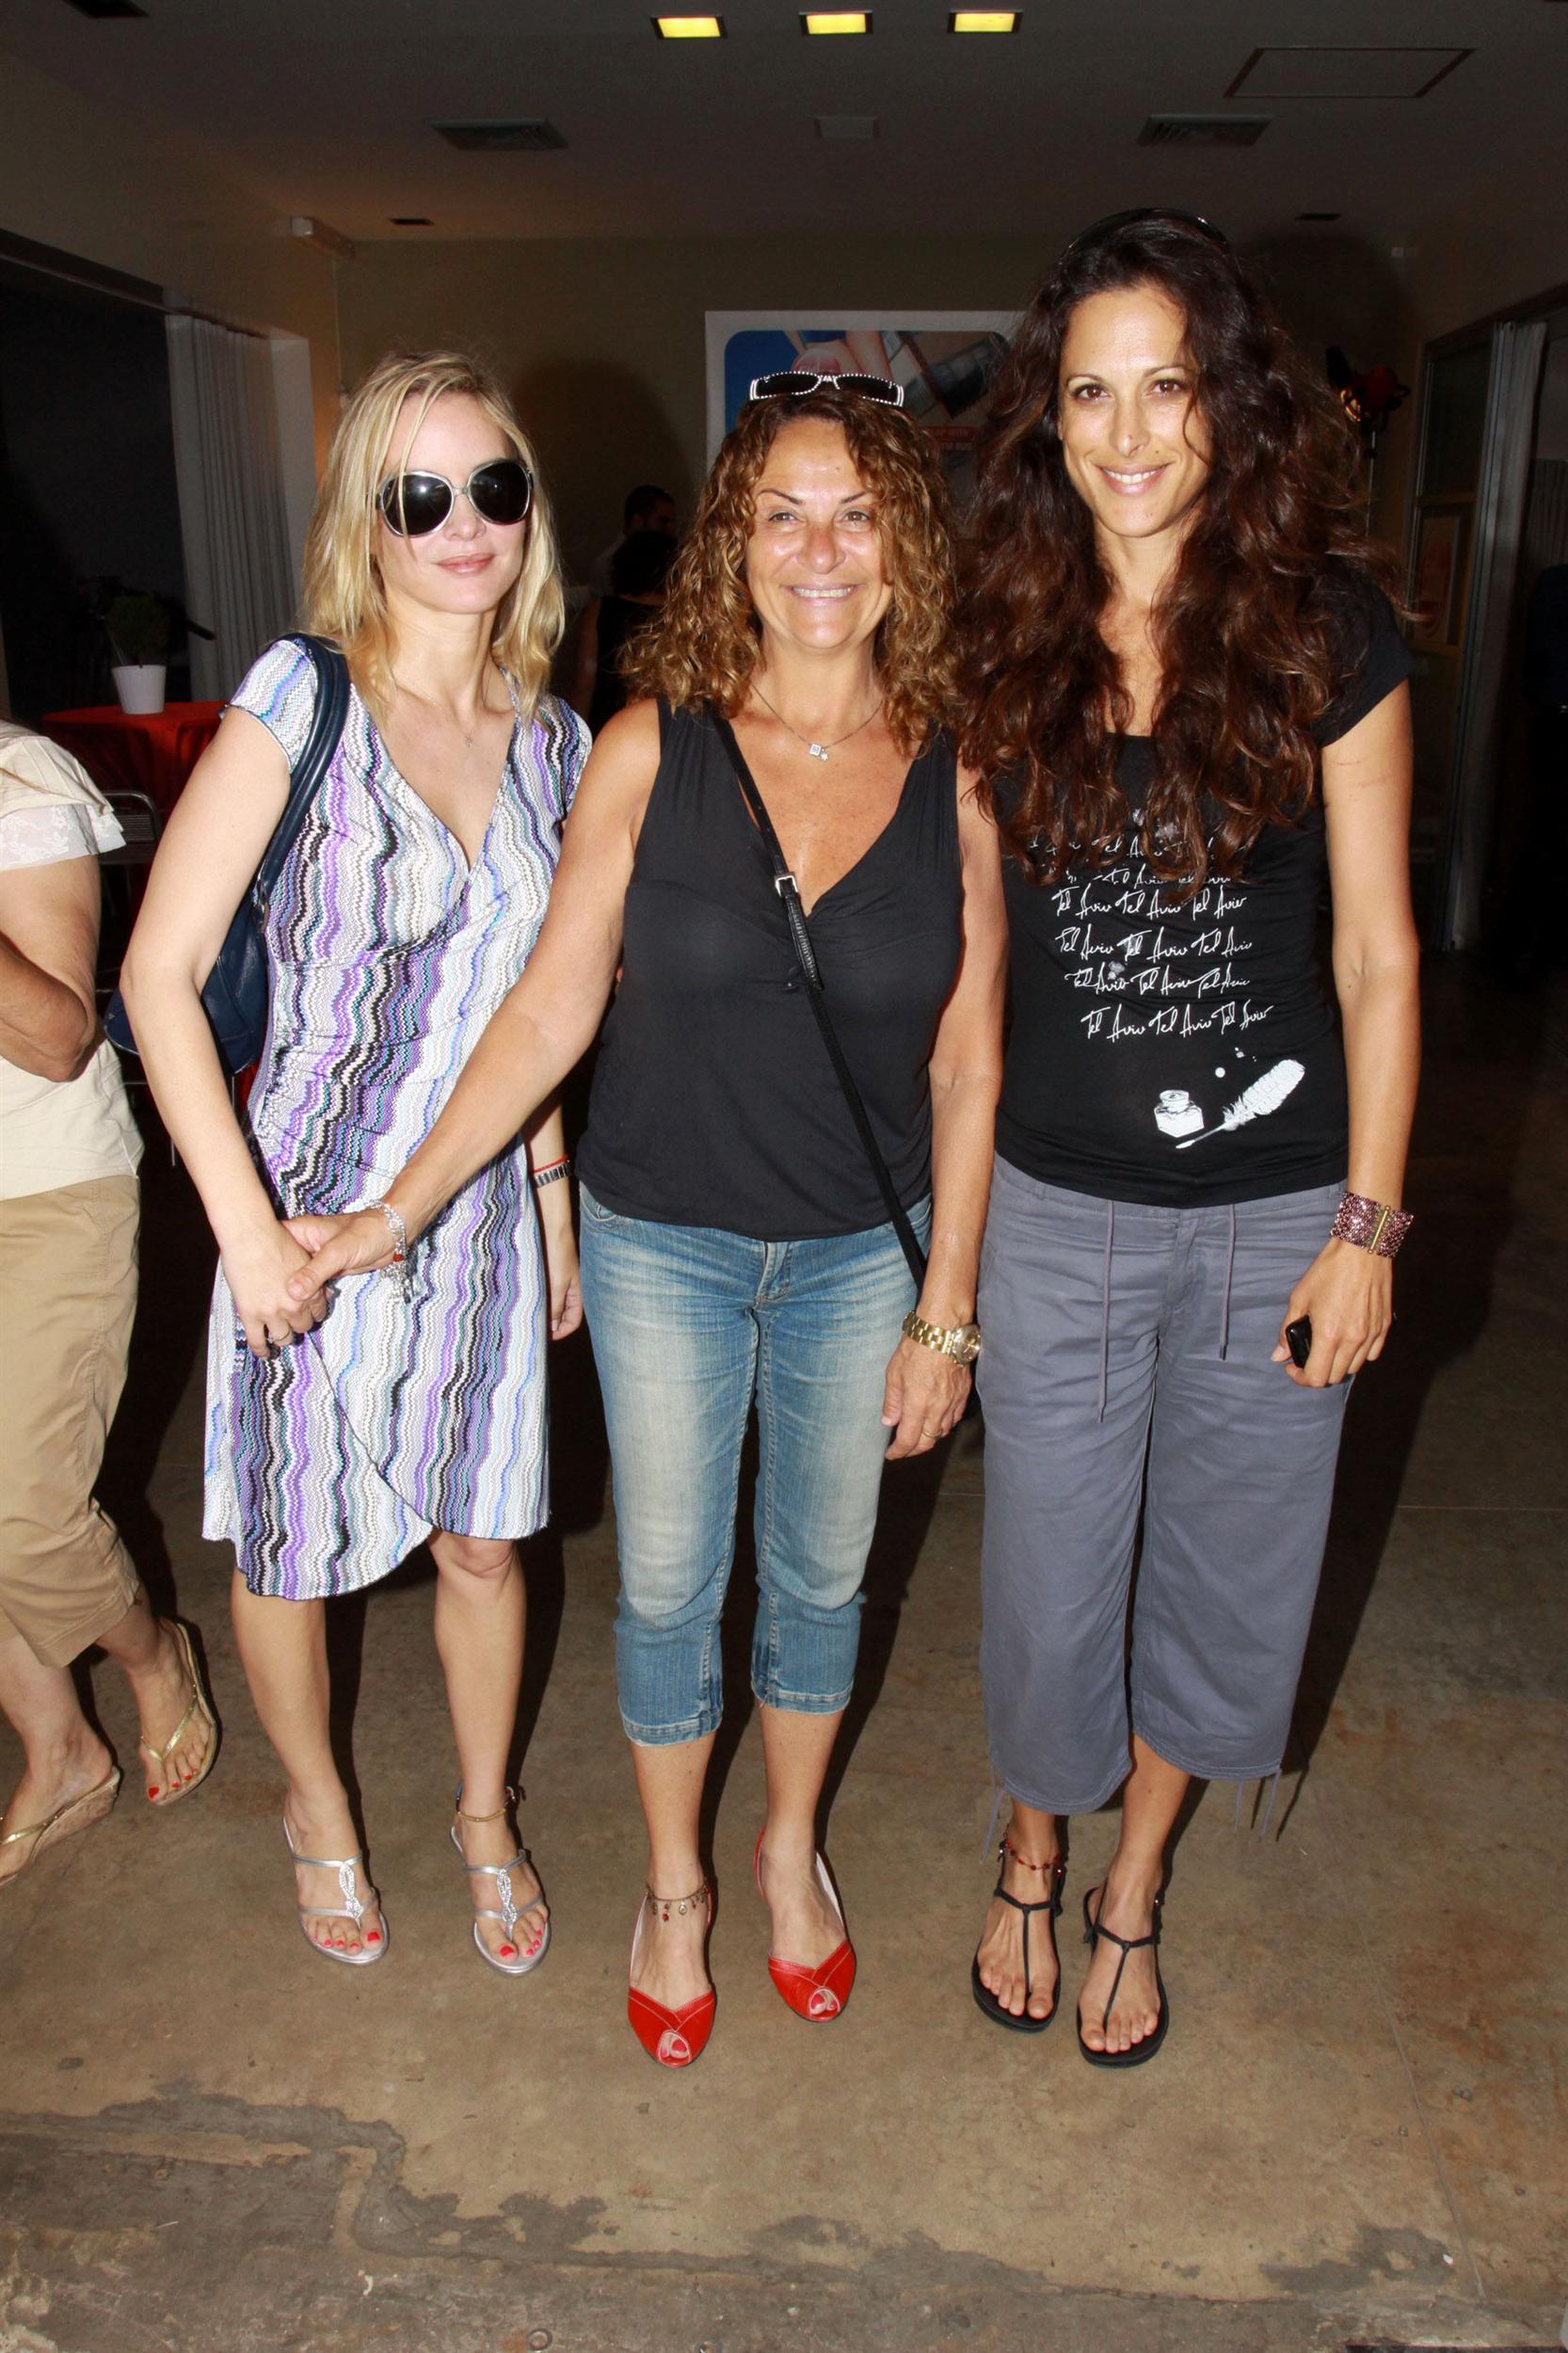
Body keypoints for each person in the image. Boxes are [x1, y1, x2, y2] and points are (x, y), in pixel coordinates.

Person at [284, 378, 1008, 2065]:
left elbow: (970, 1061)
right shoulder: (648, 745)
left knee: (821, 1580)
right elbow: (548, 1010)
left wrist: (947, 1308)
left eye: (856, 515)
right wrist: (394, 1212)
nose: (819, 551)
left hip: (861, 1255)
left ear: (906, 545)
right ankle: (675, 1882)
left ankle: (785, 1847)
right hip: (664, 1241)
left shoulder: (961, 769)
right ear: (731, 544)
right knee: (673, 1586)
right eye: (782, 515)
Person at [957, 211, 1420, 2064]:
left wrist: (1367, 1227)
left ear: (1228, 403)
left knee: (1225, 1582)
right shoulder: (999, 639)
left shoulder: (1328, 635)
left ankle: (1130, 1887)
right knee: (1046, 1581)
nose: (1128, 432)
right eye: (1090, 393)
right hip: (1054, 1209)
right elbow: (968, 973)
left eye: (1165, 386)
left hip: (1274, 1211)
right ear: (1048, 418)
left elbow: (1377, 955)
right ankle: (1028, 1847)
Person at [119, 351, 586, 1972]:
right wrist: (246, 1238)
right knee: (294, 1542)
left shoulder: (555, 743)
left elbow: (539, 1013)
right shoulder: (300, 697)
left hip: (477, 1219)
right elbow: (157, 976)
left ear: (530, 508)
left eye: (493, 488)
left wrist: (552, 1204)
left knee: (484, 1537)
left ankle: (483, 1815)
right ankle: (316, 1807)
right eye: (419, 494)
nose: (464, 526)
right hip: (304, 1209)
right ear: (365, 522)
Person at [1, 720, 216, 1888]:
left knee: (25, 1513)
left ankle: (149, 1650)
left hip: (39, 1193)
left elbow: (60, 1036)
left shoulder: (18, 776)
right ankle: (61, 1752)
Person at [571, 527, 677, 732]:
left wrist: (577, 737)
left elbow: (583, 683)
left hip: (605, 726)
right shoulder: (680, 619)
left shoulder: (601, 610)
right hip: (658, 730)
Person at [586, 483, 678, 599]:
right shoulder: (606, 563)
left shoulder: (673, 558)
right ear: (637, 521)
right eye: (663, 521)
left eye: (672, 522)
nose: (671, 528)